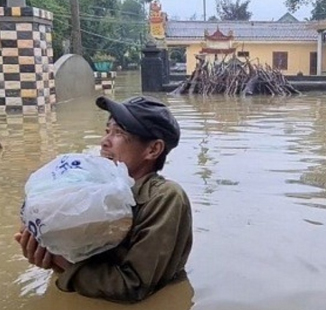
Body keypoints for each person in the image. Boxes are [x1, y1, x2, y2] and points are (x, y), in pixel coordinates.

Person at [14, 95, 193, 303]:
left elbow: (132, 286)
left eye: (118, 133)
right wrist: (47, 248)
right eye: (107, 131)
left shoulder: (165, 197)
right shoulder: (91, 190)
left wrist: (61, 262)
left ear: (153, 149)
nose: (104, 141)